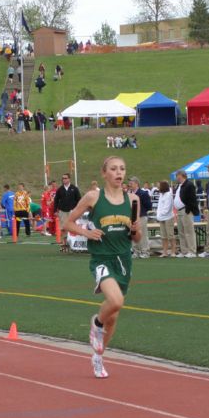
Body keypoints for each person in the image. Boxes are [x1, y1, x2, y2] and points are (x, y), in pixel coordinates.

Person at [64, 156, 140, 379]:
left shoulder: (133, 199)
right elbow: (67, 223)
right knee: (116, 301)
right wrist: (87, 232)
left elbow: (137, 237)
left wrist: (135, 229)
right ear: (104, 173)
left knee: (114, 315)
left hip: (123, 259)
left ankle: (98, 356)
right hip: (101, 258)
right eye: (114, 169)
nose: (119, 173)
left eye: (123, 169)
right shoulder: (93, 197)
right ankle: (96, 323)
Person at [173, 170, 198, 258]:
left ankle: (192, 250)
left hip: (185, 210)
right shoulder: (179, 185)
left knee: (189, 231)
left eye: (177, 175)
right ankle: (184, 251)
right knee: (181, 232)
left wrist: (188, 209)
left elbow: (192, 198)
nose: (176, 177)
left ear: (182, 175)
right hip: (179, 211)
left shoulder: (189, 185)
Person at [54, 174, 81, 252]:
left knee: (73, 227)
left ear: (69, 179)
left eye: (65, 178)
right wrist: (55, 210)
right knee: (63, 228)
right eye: (62, 178)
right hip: (62, 211)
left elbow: (79, 199)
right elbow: (56, 200)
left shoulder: (74, 188)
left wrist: (78, 209)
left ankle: (74, 245)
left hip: (72, 211)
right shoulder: (60, 189)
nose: (64, 180)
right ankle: (64, 244)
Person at [128, 176, 151, 258]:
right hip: (131, 217)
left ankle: (145, 251)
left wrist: (141, 211)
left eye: (131, 183)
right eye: (129, 183)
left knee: (143, 234)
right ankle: (136, 251)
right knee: (133, 234)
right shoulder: (129, 194)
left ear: (136, 184)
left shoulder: (143, 193)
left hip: (141, 216)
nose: (129, 184)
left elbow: (149, 206)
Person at [155, 180, 176, 257]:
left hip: (168, 217)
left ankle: (173, 251)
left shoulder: (168, 195)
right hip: (161, 218)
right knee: (163, 236)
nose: (158, 187)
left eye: (159, 185)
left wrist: (160, 214)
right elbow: (159, 206)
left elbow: (167, 208)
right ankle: (165, 252)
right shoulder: (161, 194)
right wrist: (158, 215)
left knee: (170, 235)